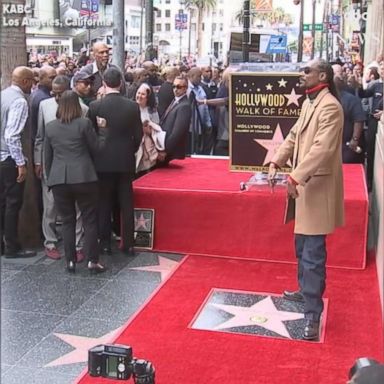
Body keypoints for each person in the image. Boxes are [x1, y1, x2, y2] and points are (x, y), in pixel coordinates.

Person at [268, 59, 344, 341]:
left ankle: (313, 316)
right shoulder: (310, 103)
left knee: (312, 255)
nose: (302, 75)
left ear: (322, 75)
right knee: (302, 249)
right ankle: (305, 292)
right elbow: (293, 136)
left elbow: (321, 149)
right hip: (303, 189)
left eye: (307, 71)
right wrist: (277, 160)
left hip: (316, 188)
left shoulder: (330, 107)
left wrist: (294, 177)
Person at [44, 91, 107, 273]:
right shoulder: (84, 123)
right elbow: (97, 148)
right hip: (84, 177)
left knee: (67, 221)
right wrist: (103, 131)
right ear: (77, 106)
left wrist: (51, 179)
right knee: (89, 219)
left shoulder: (50, 127)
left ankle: (70, 261)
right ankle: (92, 261)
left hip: (59, 179)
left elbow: (47, 158)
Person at [88, 67, 143, 256]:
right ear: (120, 83)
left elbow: (91, 135)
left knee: (103, 203)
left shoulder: (96, 107)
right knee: (126, 202)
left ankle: (105, 243)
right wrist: (130, 150)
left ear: (104, 83)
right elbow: (138, 135)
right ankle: (128, 243)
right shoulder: (132, 106)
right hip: (125, 160)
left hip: (102, 162)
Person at [34, 76, 87, 260]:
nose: (55, 97)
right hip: (51, 163)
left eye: (59, 94)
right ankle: (50, 241)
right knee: (50, 206)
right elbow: (40, 137)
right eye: (53, 93)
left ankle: (77, 243)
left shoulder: (83, 109)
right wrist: (38, 161)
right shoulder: (44, 106)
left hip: (76, 167)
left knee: (77, 209)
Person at [0, 66, 37, 258]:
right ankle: (12, 247)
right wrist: (20, 163)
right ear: (24, 81)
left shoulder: (3, 94)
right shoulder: (19, 102)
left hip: (1, 157)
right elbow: (12, 135)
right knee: (13, 203)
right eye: (31, 80)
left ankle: (3, 244)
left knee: (3, 203)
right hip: (9, 159)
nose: (33, 84)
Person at [332, 64, 366, 164]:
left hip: (346, 146)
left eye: (337, 73)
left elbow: (359, 120)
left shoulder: (352, 99)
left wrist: (354, 139)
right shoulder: (325, 98)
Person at [158, 76, 191, 164]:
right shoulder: (175, 100)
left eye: (179, 87)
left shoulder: (184, 106)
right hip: (164, 145)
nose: (175, 89)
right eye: (174, 86)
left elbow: (177, 132)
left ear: (185, 89)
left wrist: (166, 151)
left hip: (170, 152)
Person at [135, 83, 166, 173]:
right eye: (138, 93)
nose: (139, 96)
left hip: (148, 149)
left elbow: (156, 130)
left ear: (148, 97)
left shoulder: (152, 111)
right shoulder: (131, 107)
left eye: (143, 94)